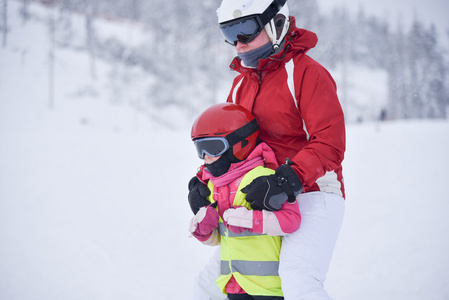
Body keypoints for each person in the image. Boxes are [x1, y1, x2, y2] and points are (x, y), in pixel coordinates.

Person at [188, 0, 346, 299]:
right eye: (229, 33)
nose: (238, 43)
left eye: (245, 30)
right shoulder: (239, 86)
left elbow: (330, 142)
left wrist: (288, 179)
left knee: (297, 278)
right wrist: (204, 178)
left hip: (312, 191)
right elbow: (230, 144)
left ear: (275, 23)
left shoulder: (306, 74)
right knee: (210, 286)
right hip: (257, 193)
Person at [189, 103, 302, 300]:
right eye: (200, 148)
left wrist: (251, 220)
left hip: (267, 288)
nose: (205, 156)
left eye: (213, 147)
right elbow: (220, 238)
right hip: (233, 284)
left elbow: (291, 221)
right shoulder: (213, 187)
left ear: (239, 143)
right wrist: (202, 230)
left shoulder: (264, 179)